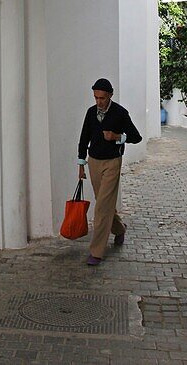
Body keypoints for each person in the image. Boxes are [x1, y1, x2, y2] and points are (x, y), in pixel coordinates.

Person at [77, 77, 142, 265]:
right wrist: (81, 164)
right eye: (96, 98)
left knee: (101, 208)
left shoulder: (120, 113)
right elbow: (83, 138)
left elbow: (136, 137)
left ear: (110, 95)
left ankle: (96, 252)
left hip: (112, 162)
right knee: (103, 203)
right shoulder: (91, 113)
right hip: (94, 162)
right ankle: (120, 229)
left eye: (102, 98)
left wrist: (117, 137)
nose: (99, 102)